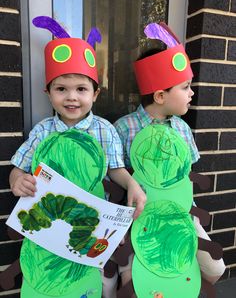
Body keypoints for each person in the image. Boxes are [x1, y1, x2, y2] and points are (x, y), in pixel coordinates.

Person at [9, 16, 146, 298]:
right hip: (50, 227)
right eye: (61, 89)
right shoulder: (43, 131)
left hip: (92, 227)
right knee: (52, 283)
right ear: (48, 93)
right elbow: (18, 167)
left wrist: (132, 184)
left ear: (95, 93)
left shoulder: (104, 130)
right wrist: (17, 180)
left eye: (81, 89)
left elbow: (116, 169)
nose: (72, 97)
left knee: (92, 283)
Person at [114, 23, 225, 294]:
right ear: (161, 95)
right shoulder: (124, 128)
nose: (192, 93)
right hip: (139, 221)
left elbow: (187, 176)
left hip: (180, 216)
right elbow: (115, 175)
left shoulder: (183, 129)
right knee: (135, 284)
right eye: (185, 87)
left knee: (215, 268)